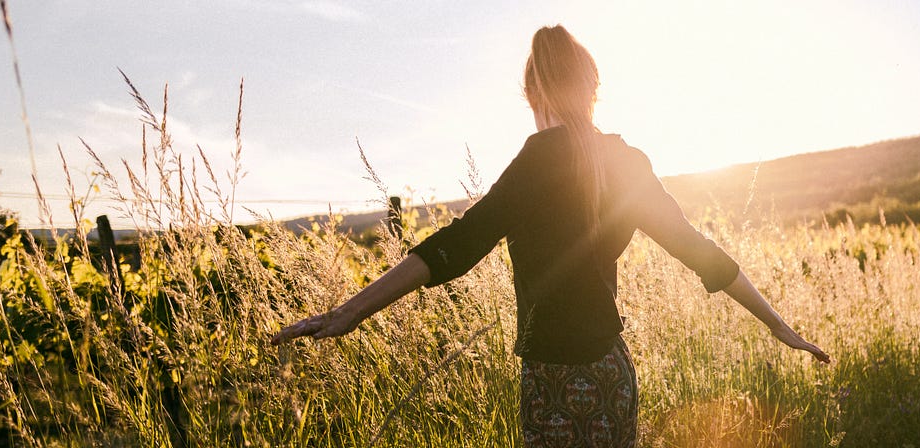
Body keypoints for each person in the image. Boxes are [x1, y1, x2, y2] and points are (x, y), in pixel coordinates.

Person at [270, 25, 829, 447]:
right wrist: (779, 325)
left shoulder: (538, 161)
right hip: (612, 374)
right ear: (592, 89)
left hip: (550, 383)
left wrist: (350, 313)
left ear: (532, 92)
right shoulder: (628, 163)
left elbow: (454, 248)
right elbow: (697, 250)